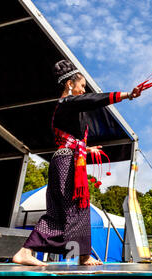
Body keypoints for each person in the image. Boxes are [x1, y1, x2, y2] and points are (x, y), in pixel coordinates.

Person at [12, 60, 142, 266]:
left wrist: (85, 149)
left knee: (71, 209)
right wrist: (127, 95)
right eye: (82, 86)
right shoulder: (68, 103)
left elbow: (69, 139)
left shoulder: (65, 108)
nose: (83, 90)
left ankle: (79, 254)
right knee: (71, 209)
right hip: (66, 163)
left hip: (66, 160)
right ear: (69, 84)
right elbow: (93, 100)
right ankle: (29, 250)